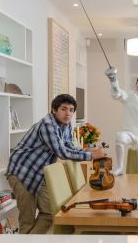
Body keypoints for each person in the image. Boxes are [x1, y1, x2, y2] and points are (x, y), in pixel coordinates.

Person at [6, 94, 106, 234]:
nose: (68, 113)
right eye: (64, 109)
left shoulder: (66, 125)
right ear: (54, 110)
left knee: (50, 213)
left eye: (71, 110)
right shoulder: (48, 125)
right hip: (22, 172)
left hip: (39, 173)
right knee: (27, 220)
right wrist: (91, 156)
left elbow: (69, 146)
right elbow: (62, 152)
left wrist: (88, 149)